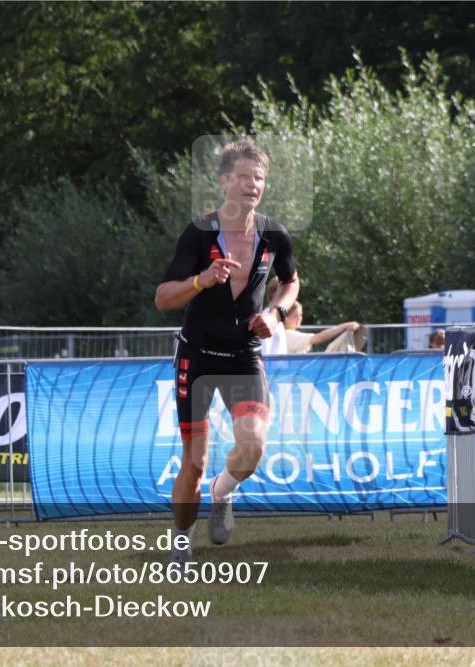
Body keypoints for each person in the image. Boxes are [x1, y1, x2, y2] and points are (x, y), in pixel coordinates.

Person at [154, 139, 299, 570]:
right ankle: (181, 543)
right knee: (193, 463)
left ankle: (223, 492)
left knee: (252, 447)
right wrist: (202, 280)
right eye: (244, 177)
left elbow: (291, 282)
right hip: (196, 358)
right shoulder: (199, 233)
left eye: (259, 178)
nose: (253, 185)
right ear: (224, 182)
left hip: (243, 356)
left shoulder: (274, 234)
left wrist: (275, 313)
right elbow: (163, 298)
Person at [283, 301, 364, 353]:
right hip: (300, 375)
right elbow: (319, 338)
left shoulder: (289, 334)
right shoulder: (288, 335)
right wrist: (344, 326)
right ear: (286, 318)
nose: (299, 318)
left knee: (341, 343)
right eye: (295, 316)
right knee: (340, 344)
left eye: (300, 315)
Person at [260, 277, 288, 356]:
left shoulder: (278, 316)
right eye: (285, 291)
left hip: (280, 368)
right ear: (274, 294)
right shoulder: (267, 318)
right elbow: (264, 352)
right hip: (270, 368)